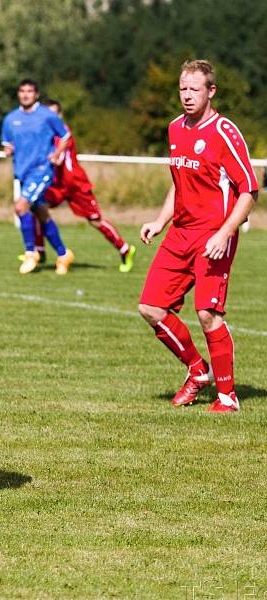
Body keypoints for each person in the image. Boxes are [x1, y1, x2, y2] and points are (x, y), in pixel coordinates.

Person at [138, 59, 257, 413]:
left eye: (195, 89)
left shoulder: (224, 132)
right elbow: (179, 184)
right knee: (150, 308)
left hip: (213, 235)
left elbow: (249, 190)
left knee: (207, 314)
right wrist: (160, 221)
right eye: (183, 89)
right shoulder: (175, 128)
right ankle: (197, 370)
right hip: (180, 233)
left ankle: (227, 397)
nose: (187, 96)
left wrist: (225, 232)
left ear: (211, 91)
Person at [37, 99, 136, 273]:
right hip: (57, 185)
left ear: (60, 116)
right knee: (34, 205)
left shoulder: (63, 132)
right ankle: (38, 251)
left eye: (54, 114)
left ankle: (124, 249)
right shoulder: (45, 134)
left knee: (95, 221)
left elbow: (58, 157)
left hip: (75, 183)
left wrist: (50, 157)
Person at [1, 79, 74, 275]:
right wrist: (8, 150)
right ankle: (63, 253)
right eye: (22, 91)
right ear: (18, 94)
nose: (26, 94)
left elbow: (66, 136)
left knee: (20, 206)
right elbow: (7, 143)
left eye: (30, 91)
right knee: (41, 213)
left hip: (42, 170)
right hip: (23, 172)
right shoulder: (10, 119)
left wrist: (57, 153)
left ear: (36, 94)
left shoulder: (47, 115)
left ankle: (30, 253)